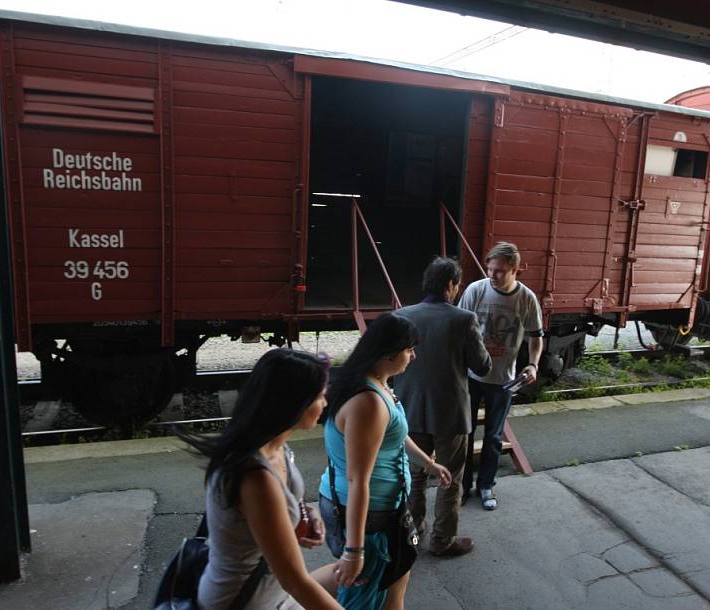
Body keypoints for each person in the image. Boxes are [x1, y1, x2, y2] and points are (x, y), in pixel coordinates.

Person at [183, 349, 343, 610]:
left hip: (272, 595)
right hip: (244, 602)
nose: (325, 404)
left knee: (352, 571)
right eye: (320, 397)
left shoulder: (276, 447)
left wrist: (308, 513)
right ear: (295, 403)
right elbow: (295, 581)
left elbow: (284, 502)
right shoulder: (255, 477)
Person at [318, 313, 452, 610]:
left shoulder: (376, 384)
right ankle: (284, 593)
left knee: (394, 581)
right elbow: (358, 480)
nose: (413, 356)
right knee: (362, 595)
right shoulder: (368, 402)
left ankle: (287, 591)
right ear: (389, 354)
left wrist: (428, 463)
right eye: (409, 350)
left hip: (376, 508)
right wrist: (354, 550)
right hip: (368, 514)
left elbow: (394, 435)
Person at [393, 256, 491, 557]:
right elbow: (483, 366)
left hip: (410, 410)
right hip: (451, 413)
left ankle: (414, 535)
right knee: (450, 478)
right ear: (451, 284)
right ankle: (442, 540)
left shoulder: (401, 315)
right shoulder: (463, 319)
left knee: (415, 476)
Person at [458, 242, 544, 511]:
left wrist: (533, 364)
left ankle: (486, 485)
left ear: (515, 270)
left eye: (499, 271)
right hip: (471, 376)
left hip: (503, 380)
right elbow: (459, 327)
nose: (492, 275)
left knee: (494, 438)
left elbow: (536, 338)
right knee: (465, 433)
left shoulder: (526, 299)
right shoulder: (476, 290)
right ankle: (462, 487)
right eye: (490, 269)